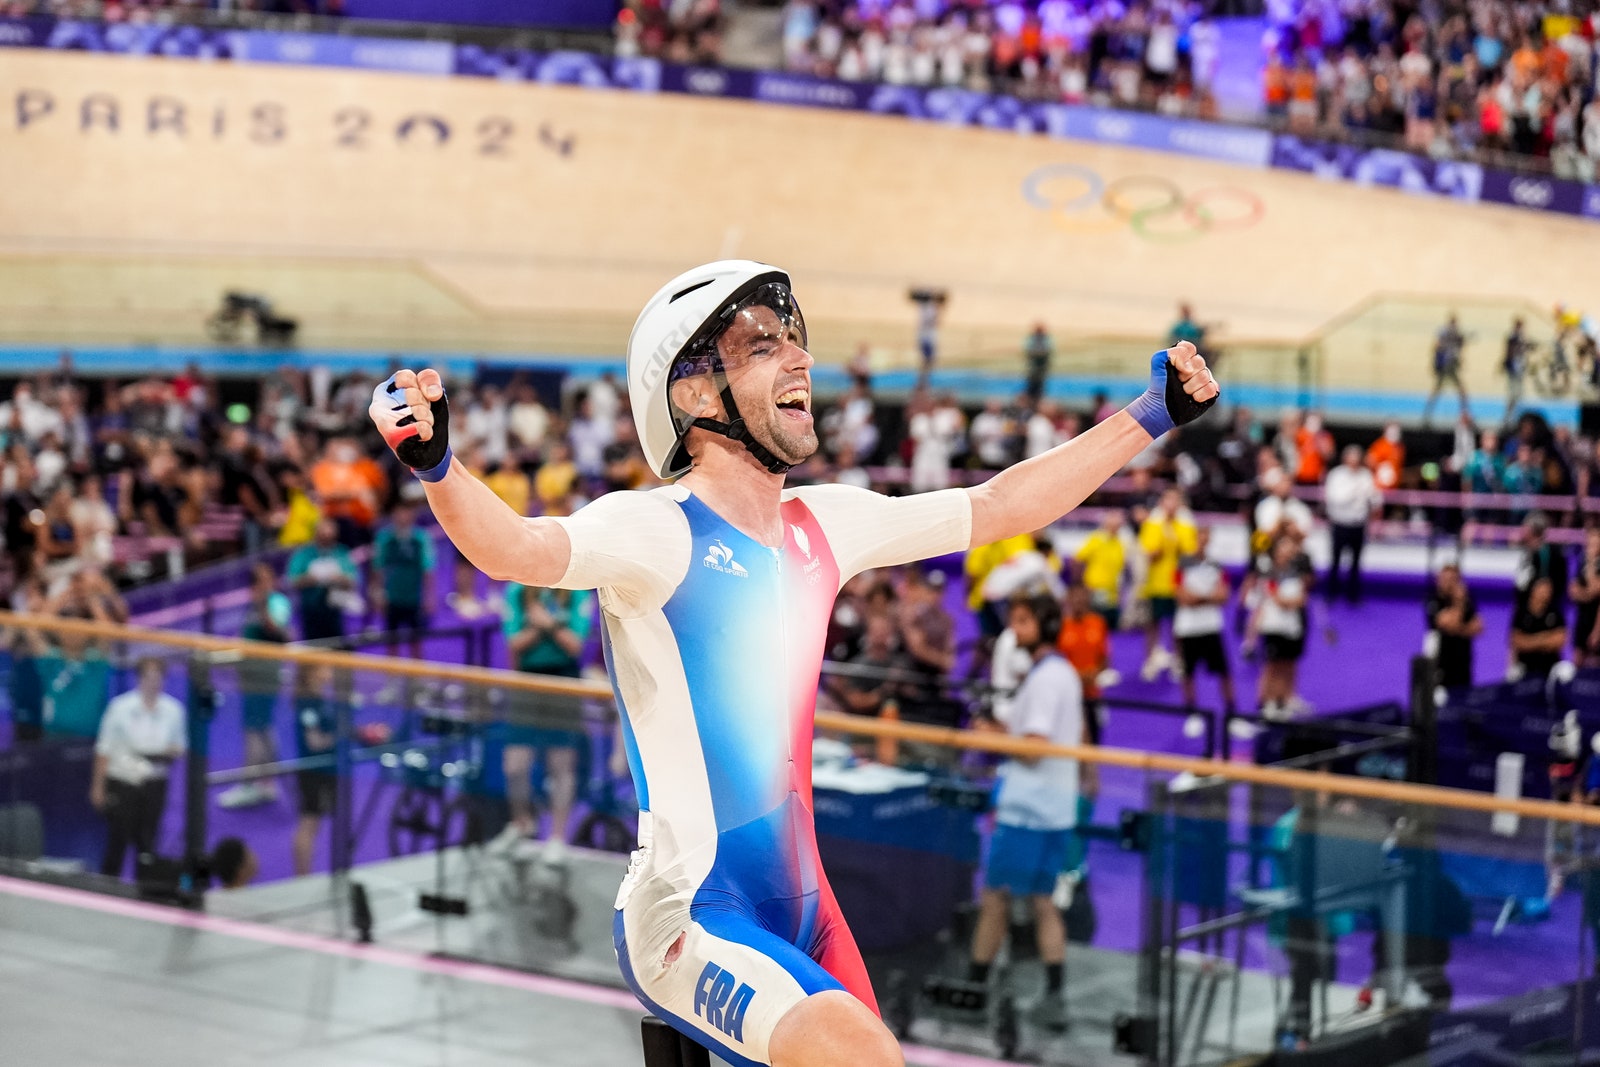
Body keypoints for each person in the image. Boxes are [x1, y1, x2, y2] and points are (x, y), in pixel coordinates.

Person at [369, 258, 1217, 1067]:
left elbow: (998, 503)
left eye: (793, 337)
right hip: (690, 917)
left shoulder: (826, 522)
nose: (802, 356)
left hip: (810, 910)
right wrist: (438, 465)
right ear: (695, 393)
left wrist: (1151, 414)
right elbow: (516, 547)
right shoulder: (655, 529)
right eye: (765, 343)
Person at [967, 595, 1084, 1031]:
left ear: (1044, 624)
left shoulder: (1047, 679)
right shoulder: (1059, 674)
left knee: (995, 897)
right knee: (1043, 903)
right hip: (1052, 809)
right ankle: (1055, 996)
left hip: (1026, 811)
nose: (1013, 630)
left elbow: (1033, 748)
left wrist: (991, 740)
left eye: (1021, 621)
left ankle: (973, 992)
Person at [486, 583, 595, 864]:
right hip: (526, 681)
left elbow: (574, 645)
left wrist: (547, 623)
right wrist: (543, 628)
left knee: (561, 764)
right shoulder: (516, 593)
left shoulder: (576, 592)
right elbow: (514, 643)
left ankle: (557, 837)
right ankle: (521, 822)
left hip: (564, 682)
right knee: (515, 764)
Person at [90, 657, 185, 878]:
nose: (154, 682)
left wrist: (167, 753)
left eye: (158, 677)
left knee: (148, 843)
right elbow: (104, 748)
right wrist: (98, 786)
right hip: (123, 781)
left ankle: (146, 893)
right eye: (149, 677)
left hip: (155, 781)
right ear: (139, 678)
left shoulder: (174, 710)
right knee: (118, 840)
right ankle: (107, 891)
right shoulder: (120, 707)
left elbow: (180, 747)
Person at [219, 562, 292, 809]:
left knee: (255, 730)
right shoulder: (251, 604)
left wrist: (262, 602)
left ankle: (252, 784)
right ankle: (267, 782)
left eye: (266, 579)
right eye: (258, 580)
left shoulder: (277, 602)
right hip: (249, 674)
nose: (262, 584)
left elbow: (276, 629)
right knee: (260, 727)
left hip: (266, 674)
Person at [1139, 488, 1198, 682]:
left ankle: (1178, 659)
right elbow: (1149, 552)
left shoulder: (1186, 526)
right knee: (1153, 624)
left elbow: (1190, 553)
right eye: (1168, 500)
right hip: (1156, 583)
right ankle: (1151, 659)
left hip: (1177, 585)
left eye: (1175, 500)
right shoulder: (1153, 525)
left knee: (1177, 626)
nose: (1171, 505)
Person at [1174, 527, 1235, 715]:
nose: (1203, 541)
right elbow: (1183, 598)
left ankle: (1231, 714)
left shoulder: (1216, 565)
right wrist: (1209, 597)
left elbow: (1224, 596)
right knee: (1188, 673)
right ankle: (1191, 713)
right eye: (1200, 536)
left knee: (1224, 672)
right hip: (1188, 628)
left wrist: (1199, 598)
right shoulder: (1182, 564)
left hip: (1212, 626)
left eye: (1206, 537)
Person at [370, 502, 437, 663]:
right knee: (391, 641)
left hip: (414, 598)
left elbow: (428, 570)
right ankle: (392, 682)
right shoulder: (385, 538)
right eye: (399, 512)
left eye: (406, 512)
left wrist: (429, 597)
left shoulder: (421, 539)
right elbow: (378, 568)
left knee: (416, 642)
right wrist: (378, 594)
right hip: (391, 598)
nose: (402, 516)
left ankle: (418, 682)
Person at [1252, 536, 1309, 719]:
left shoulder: (1295, 573)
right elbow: (1278, 599)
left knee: (1287, 662)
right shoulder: (1269, 573)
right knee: (1271, 666)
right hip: (1273, 627)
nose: (1288, 553)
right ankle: (1266, 702)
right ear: (1276, 552)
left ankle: (1283, 699)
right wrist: (1291, 601)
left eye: (1290, 550)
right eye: (1284, 549)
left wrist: (1291, 601)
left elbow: (1302, 599)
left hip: (1291, 627)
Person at [292, 663, 340, 877]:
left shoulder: (318, 700)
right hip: (314, 772)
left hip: (325, 770)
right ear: (312, 673)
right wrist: (343, 736)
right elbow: (315, 742)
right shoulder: (308, 704)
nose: (330, 672)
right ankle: (302, 877)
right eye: (325, 668)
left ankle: (305, 874)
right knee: (309, 825)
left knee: (314, 826)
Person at [1323, 445, 1382, 605]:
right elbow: (1336, 499)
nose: (1355, 462)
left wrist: (1374, 500)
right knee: (1335, 561)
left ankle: (1353, 595)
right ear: (1345, 458)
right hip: (1340, 524)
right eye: (1352, 458)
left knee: (1356, 563)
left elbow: (1374, 497)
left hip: (1358, 525)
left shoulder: (1366, 475)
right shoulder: (1336, 475)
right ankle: (1331, 593)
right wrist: (1356, 491)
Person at [287, 518, 360, 644]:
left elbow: (353, 580)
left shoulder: (341, 553)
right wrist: (312, 578)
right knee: (314, 651)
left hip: (336, 613)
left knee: (338, 650)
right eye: (322, 532)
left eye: (329, 533)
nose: (326, 536)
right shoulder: (304, 554)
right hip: (311, 611)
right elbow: (292, 581)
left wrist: (338, 577)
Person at [1055, 583, 1110, 744]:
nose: (1078, 601)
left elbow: (1105, 658)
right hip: (1068, 696)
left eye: (1082, 596)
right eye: (1075, 597)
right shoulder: (1060, 627)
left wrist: (1094, 674)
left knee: (1094, 741)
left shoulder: (1098, 623)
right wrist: (1077, 677)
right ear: (1068, 599)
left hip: (1092, 694)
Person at [1425, 564, 1482, 689]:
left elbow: (1479, 627)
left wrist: (1459, 629)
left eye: (1453, 580)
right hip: (1441, 661)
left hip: (1463, 660)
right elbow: (1447, 624)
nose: (1449, 584)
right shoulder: (1433, 600)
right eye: (1445, 579)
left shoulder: (1468, 598)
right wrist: (1459, 603)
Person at [1510, 576, 1566, 682]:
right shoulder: (1521, 613)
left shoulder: (1555, 612)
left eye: (1549, 589)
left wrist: (1530, 640)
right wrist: (1545, 638)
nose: (1546, 592)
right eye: (1543, 589)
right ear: (1533, 589)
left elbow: (1560, 640)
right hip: (1525, 667)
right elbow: (1516, 641)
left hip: (1550, 667)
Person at [1423, 312, 1467, 426]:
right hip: (1444, 367)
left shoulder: (1456, 335)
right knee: (1437, 391)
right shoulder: (1444, 334)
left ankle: (1465, 414)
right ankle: (1427, 414)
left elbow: (1459, 348)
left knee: (1461, 391)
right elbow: (1437, 347)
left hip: (1451, 367)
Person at [1503, 316, 1530, 421]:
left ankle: (1514, 414)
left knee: (1518, 392)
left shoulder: (1521, 337)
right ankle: (1509, 415)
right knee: (1513, 392)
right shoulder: (1513, 337)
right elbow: (1509, 351)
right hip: (1514, 367)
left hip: (1519, 367)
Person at [1023, 323, 1053, 403]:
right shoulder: (1033, 339)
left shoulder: (1045, 339)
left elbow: (1047, 351)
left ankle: (1037, 399)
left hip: (1041, 367)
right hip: (1034, 367)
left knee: (1040, 385)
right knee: (1032, 385)